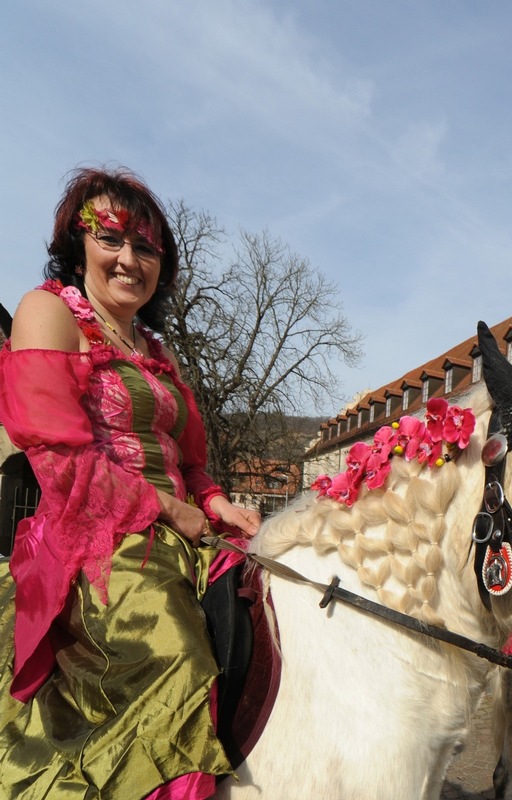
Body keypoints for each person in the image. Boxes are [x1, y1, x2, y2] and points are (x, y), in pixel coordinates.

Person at [0, 167, 262, 799]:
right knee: (173, 649)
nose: (128, 258)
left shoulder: (156, 348)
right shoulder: (47, 312)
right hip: (94, 539)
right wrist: (172, 510)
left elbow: (191, 463)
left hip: (184, 532)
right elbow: (61, 465)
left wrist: (220, 502)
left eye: (146, 247)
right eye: (111, 237)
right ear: (78, 243)